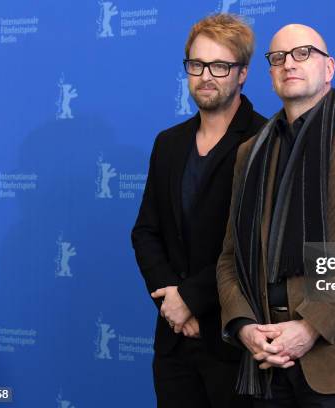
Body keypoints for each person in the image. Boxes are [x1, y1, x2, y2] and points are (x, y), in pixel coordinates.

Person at [216, 24, 335, 407]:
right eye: (278, 58)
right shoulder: (249, 153)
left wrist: (309, 326)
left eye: (303, 53)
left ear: (329, 67)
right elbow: (230, 257)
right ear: (270, 74)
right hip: (264, 358)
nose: (289, 63)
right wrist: (243, 327)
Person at [131, 14, 266, 408]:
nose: (206, 76)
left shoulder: (265, 140)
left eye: (220, 66)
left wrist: (191, 298)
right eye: (196, 64)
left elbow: (256, 243)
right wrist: (172, 306)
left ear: (242, 73)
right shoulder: (168, 143)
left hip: (235, 344)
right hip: (174, 342)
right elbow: (145, 231)